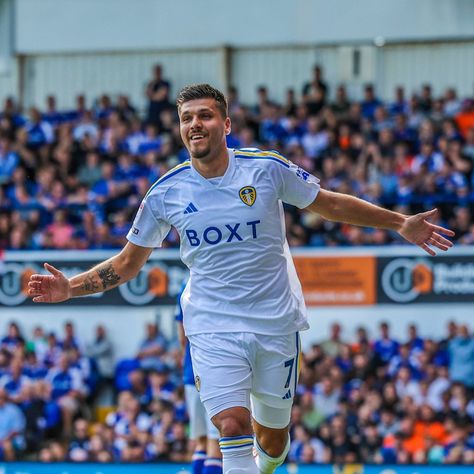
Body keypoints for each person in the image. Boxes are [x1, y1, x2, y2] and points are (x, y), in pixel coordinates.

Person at [28, 83, 454, 474]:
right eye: (187, 118)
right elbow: (126, 263)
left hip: (275, 322)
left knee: (273, 439)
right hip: (213, 324)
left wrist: (400, 223)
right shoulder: (165, 193)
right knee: (232, 422)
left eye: (206, 115)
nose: (196, 124)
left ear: (226, 124)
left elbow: (329, 205)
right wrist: (71, 287)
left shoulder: (266, 169)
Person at [176, 283, 222, 474]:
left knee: (201, 442)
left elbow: (182, 338)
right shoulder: (219, 281)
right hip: (218, 371)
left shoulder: (183, 287)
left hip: (191, 371)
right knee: (215, 443)